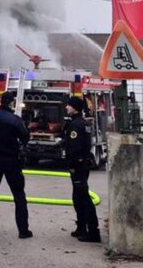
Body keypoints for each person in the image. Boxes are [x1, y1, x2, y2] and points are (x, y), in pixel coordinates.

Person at [0, 92, 32, 239]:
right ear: (11, 103)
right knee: (19, 195)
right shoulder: (15, 120)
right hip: (12, 161)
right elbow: (24, 138)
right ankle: (23, 230)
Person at [63, 96, 100, 243]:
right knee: (78, 198)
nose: (66, 107)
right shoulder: (82, 123)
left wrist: (72, 164)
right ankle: (81, 228)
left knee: (83, 199)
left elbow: (76, 147)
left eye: (69, 106)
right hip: (83, 165)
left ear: (75, 108)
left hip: (78, 166)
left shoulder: (76, 125)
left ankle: (93, 232)